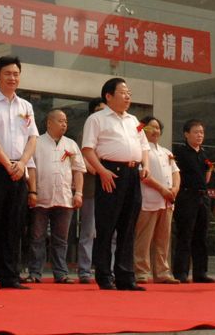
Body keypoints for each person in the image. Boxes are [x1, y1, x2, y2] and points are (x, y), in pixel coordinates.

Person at [81, 78, 150, 291]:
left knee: (128, 228)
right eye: (123, 92)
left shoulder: (133, 120)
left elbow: (144, 146)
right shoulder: (97, 119)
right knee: (106, 226)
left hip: (133, 174)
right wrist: (101, 171)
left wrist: (145, 165)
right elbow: (87, 149)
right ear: (109, 96)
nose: (128, 96)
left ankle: (126, 277)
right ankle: (104, 276)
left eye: (129, 93)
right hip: (110, 173)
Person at [0, 55, 38, 291]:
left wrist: (21, 163)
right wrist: (7, 164)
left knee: (14, 224)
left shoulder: (26, 106)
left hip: (18, 170)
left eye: (16, 74)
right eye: (7, 74)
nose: (12, 78)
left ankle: (10, 276)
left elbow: (32, 137)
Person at [25, 109, 86, 283]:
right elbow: (31, 168)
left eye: (65, 121)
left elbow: (78, 170)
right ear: (49, 123)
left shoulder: (71, 144)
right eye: (60, 121)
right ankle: (35, 273)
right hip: (41, 196)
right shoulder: (36, 142)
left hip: (64, 198)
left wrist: (79, 193)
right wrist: (32, 191)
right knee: (37, 237)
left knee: (61, 239)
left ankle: (61, 273)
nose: (64, 124)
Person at [134, 117, 180, 284]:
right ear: (143, 129)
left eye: (158, 128)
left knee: (163, 239)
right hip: (149, 199)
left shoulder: (166, 152)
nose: (155, 131)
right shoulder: (140, 151)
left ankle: (162, 272)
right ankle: (141, 271)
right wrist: (162, 190)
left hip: (167, 201)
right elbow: (143, 175)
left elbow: (176, 172)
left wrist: (174, 189)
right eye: (151, 127)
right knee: (144, 238)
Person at [171, 118, 215, 283]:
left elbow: (207, 177)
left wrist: (209, 170)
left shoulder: (204, 153)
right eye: (196, 132)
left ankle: (200, 273)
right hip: (186, 196)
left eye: (202, 132)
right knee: (185, 234)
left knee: (201, 235)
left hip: (203, 196)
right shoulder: (180, 152)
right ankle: (181, 272)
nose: (200, 135)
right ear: (186, 134)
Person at [77, 97, 106, 283]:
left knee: (111, 233)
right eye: (98, 110)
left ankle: (109, 269)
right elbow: (83, 159)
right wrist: (100, 169)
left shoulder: (112, 131)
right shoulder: (86, 133)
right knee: (88, 231)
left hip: (110, 188)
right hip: (90, 188)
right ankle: (85, 271)